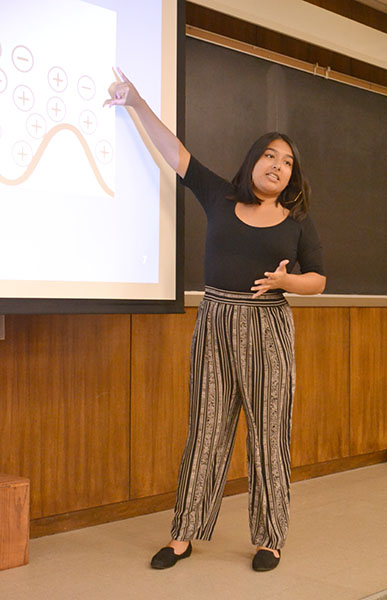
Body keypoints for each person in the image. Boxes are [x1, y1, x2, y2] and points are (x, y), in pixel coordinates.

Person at [105, 68, 326, 572]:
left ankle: (270, 539)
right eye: (270, 155)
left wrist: (287, 282)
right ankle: (184, 533)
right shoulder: (220, 196)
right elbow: (174, 151)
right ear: (253, 161)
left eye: (288, 162)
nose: (278, 165)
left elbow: (318, 280)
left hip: (268, 326)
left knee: (269, 433)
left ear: (292, 176)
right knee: (206, 429)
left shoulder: (298, 223)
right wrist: (136, 101)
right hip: (215, 320)